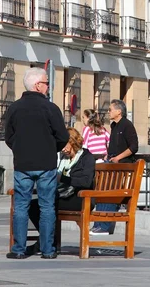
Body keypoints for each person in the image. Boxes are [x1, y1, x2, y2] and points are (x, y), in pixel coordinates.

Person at [5, 67, 70, 260]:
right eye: (46, 83)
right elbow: (63, 136)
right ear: (37, 85)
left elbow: (8, 137)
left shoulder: (14, 108)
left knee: (21, 206)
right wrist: (51, 149)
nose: (48, 87)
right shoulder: (50, 108)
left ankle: (18, 249)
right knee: (47, 206)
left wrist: (19, 149)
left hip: (23, 164)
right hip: (46, 164)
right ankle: (48, 250)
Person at [27, 127, 95, 254]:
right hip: (63, 196)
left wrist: (62, 178)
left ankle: (45, 242)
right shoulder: (63, 159)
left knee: (46, 206)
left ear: (73, 142)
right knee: (33, 206)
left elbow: (86, 182)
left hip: (80, 198)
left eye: (64, 145)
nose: (62, 149)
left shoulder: (87, 157)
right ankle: (48, 239)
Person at [90, 99, 138, 236]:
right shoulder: (114, 126)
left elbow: (133, 147)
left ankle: (104, 226)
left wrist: (118, 158)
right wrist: (108, 155)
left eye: (110, 109)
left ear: (119, 111)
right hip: (111, 165)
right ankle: (98, 224)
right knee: (101, 193)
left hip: (121, 167)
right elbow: (114, 146)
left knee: (111, 195)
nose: (108, 112)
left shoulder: (127, 126)